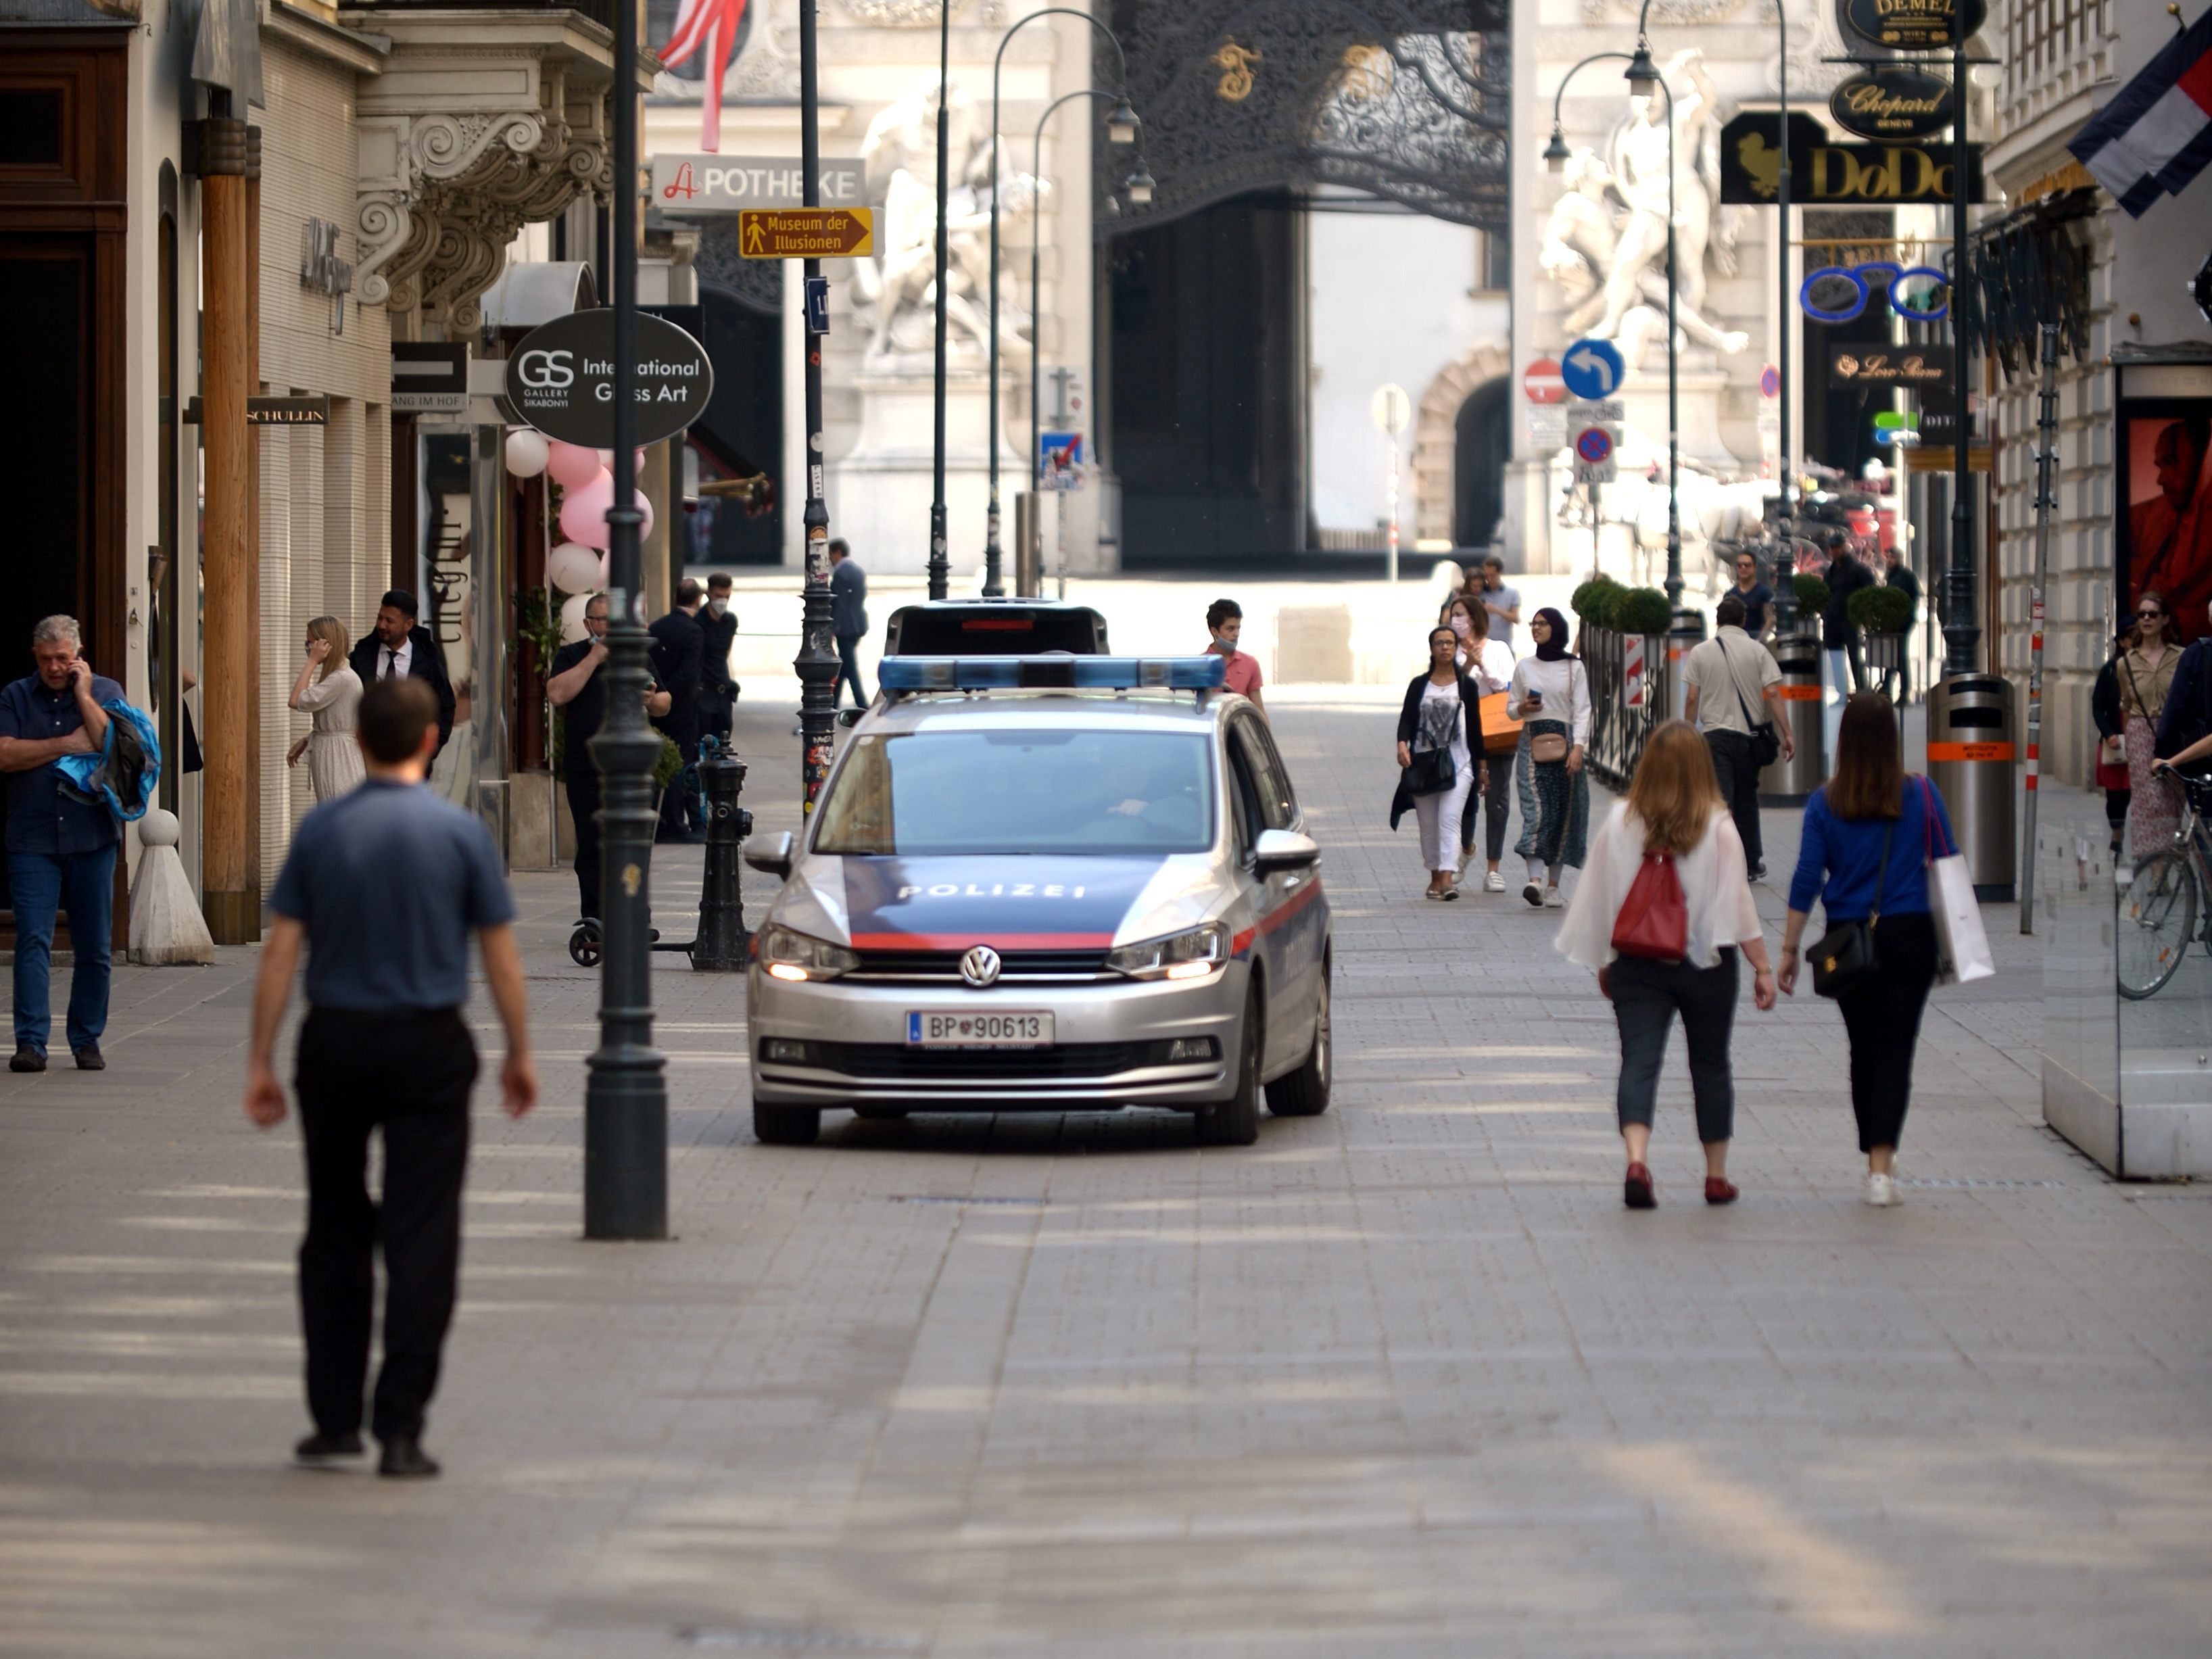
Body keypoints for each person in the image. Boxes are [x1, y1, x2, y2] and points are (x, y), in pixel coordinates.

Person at [245, 676, 537, 1478]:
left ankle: (334, 1419)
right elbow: (500, 956)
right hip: (429, 1047)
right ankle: (402, 1426)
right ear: (428, 740)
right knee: (423, 1228)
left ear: (363, 741)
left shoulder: (320, 831)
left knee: (335, 1225)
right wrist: (518, 1052)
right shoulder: (460, 834)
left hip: (334, 1043)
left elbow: (280, 953)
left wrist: (260, 1061)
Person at [1556, 720, 1777, 1208]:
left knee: (1639, 1060)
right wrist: (1762, 967)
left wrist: (1603, 960)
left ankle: (1637, 1160)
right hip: (1708, 963)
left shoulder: (1620, 822)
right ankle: (1716, 1176)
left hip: (1638, 960)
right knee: (1712, 1064)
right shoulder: (1719, 826)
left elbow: (1600, 894)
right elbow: (1739, 902)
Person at [1777, 692, 1957, 1207]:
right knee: (1897, 1051)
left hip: (1848, 941)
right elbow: (1949, 859)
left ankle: (1874, 1155)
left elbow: (1806, 878)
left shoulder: (1824, 803)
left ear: (1844, 741)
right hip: (1911, 937)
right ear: (1893, 740)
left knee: (1863, 1050)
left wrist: (1789, 949)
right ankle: (1882, 1167)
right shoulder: (1921, 793)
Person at [0, 616, 121, 1072]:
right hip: (32, 837)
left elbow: (108, 743)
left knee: (94, 944)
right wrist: (65, 743)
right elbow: (6, 755)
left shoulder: (106, 691)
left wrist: (83, 695)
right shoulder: (14, 696)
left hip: (93, 836)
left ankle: (86, 1038)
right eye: (47, 658)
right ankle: (30, 1042)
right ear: (36, 655)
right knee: (33, 939)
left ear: (79, 654)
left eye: (63, 658)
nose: (54, 667)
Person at [546, 596, 673, 919]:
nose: (607, 628)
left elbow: (665, 703)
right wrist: (594, 657)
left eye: (612, 621)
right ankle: (595, 915)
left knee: (633, 843)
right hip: (585, 766)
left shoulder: (636, 657)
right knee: (591, 845)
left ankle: (633, 912)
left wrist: (650, 699)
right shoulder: (573, 654)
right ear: (588, 624)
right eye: (600, 621)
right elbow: (557, 694)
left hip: (630, 770)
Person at [1681, 594, 1794, 882]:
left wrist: (1687, 731)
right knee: (1746, 799)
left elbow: (1693, 697)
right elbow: (1772, 693)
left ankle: (1717, 859)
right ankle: (1751, 861)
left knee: (1719, 801)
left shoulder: (1701, 652)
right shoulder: (1757, 651)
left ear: (1717, 620)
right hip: (1747, 737)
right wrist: (1788, 732)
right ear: (1744, 620)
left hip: (1714, 737)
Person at [1394, 625, 1488, 899]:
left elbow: (1475, 728)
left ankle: (1447, 878)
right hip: (1423, 765)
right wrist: (1402, 744)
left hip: (1459, 764)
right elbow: (1407, 720)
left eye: (1450, 643)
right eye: (1440, 643)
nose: (1445, 647)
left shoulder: (1466, 686)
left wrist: (1482, 768)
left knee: (1449, 819)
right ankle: (1434, 877)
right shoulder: (1419, 685)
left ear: (1456, 647)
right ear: (1432, 648)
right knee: (1428, 825)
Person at [1507, 606, 1591, 909]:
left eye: (1542, 624)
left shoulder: (1574, 668)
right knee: (1536, 811)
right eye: (1533, 624)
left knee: (1563, 813)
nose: (1536, 628)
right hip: (1532, 743)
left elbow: (1583, 710)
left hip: (1566, 746)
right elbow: (1510, 706)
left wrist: (1579, 747)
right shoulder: (1525, 666)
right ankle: (1535, 881)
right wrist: (1523, 708)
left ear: (1556, 628)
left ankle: (1554, 886)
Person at [1443, 594, 1514, 890]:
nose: (1454, 621)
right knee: (1466, 798)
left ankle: (1494, 868)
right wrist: (1466, 667)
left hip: (1498, 731)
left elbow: (1507, 688)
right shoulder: (1449, 652)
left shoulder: (1498, 649)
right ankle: (1467, 848)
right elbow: (1447, 692)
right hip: (1464, 735)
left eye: (1459, 615)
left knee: (1497, 799)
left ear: (1473, 618)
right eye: (1452, 616)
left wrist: (1481, 663)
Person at [2128, 414, 2212, 642]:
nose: (2161, 479)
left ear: (2200, 460)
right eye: (2160, 465)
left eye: (2171, 462)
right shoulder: (2150, 516)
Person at [2115, 590, 2182, 862]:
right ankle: (2154, 867)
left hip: (2174, 732)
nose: (2145, 619)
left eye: (2152, 614)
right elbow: (2127, 704)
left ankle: (2174, 855)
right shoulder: (2126, 663)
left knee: (2174, 797)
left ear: (2165, 620)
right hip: (2141, 733)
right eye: (2141, 614)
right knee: (2148, 801)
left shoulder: (2181, 657)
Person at [349, 591, 456, 756]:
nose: (382, 625)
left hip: (412, 760)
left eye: (390, 621)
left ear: (409, 625)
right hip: (365, 759)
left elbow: (445, 707)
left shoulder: (428, 663)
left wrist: (428, 752)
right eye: (380, 618)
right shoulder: (361, 656)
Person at [649, 581, 708, 844]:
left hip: (655, 706)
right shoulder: (694, 632)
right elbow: (688, 673)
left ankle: (659, 818)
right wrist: (669, 693)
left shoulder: (657, 627)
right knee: (680, 765)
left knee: (658, 761)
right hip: (682, 709)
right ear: (698, 600)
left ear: (676, 597)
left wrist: (658, 693)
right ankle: (673, 822)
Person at [285, 616, 365, 805]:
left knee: (337, 808)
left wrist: (312, 661)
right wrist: (307, 740)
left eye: (311, 644)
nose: (309, 649)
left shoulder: (341, 678)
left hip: (338, 755)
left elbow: (296, 700)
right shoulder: (339, 676)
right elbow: (337, 717)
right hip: (333, 748)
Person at [1820, 538, 1873, 753]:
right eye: (1832, 548)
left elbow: (1869, 589)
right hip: (1832, 620)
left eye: (1838, 548)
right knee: (1835, 657)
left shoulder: (1857, 570)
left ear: (1844, 548)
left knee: (1853, 656)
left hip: (1849, 619)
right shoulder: (1831, 571)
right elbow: (1826, 591)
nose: (1835, 552)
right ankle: (1842, 693)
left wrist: (1862, 614)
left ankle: (1861, 689)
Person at [2092, 627, 2133, 859]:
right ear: (2122, 642)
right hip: (2116, 742)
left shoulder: (2144, 669)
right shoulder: (2109, 671)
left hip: (2143, 740)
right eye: (2131, 637)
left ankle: (2155, 860)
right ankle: (2117, 837)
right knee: (2116, 797)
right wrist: (2109, 734)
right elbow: (2097, 707)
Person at [1206, 598, 1266, 715]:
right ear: (1214, 631)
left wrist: (1266, 732)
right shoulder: (1201, 665)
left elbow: (1259, 710)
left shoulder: (1250, 664)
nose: (1236, 634)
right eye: (1230, 629)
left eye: (1238, 628)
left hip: (1238, 728)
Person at [698, 573, 738, 742]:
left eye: (726, 597)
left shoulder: (730, 621)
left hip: (722, 690)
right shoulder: (698, 621)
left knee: (724, 739)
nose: (722, 601)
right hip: (703, 690)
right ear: (708, 594)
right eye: (718, 596)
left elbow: (726, 652)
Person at [829, 539, 869, 708]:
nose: (830, 559)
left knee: (850, 669)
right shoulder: (858, 571)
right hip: (858, 625)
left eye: (831, 554)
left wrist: (833, 628)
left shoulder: (840, 573)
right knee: (845, 666)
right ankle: (833, 703)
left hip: (845, 627)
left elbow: (841, 604)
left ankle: (862, 705)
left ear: (838, 552)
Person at [1881, 544, 1922, 701]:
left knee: (1899, 655)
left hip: (1903, 622)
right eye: (1888, 557)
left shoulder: (1905, 576)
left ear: (1899, 559)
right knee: (1894, 655)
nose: (1889, 560)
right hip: (1894, 622)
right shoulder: (1891, 575)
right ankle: (1888, 687)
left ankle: (1900, 690)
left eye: (1892, 557)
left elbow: (1910, 597)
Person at [1472, 553, 1521, 654]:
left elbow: (1516, 618)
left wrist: (1495, 610)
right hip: (1483, 648)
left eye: (1492, 575)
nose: (1489, 579)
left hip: (1505, 647)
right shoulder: (1479, 593)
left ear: (1500, 573)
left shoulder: (1512, 593)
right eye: (1486, 576)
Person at [1730, 550, 1773, 638]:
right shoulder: (1730, 595)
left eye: (1747, 565)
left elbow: (1770, 619)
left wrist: (1759, 641)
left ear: (1754, 567)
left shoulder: (1765, 592)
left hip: (1756, 642)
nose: (1743, 568)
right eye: (1740, 565)